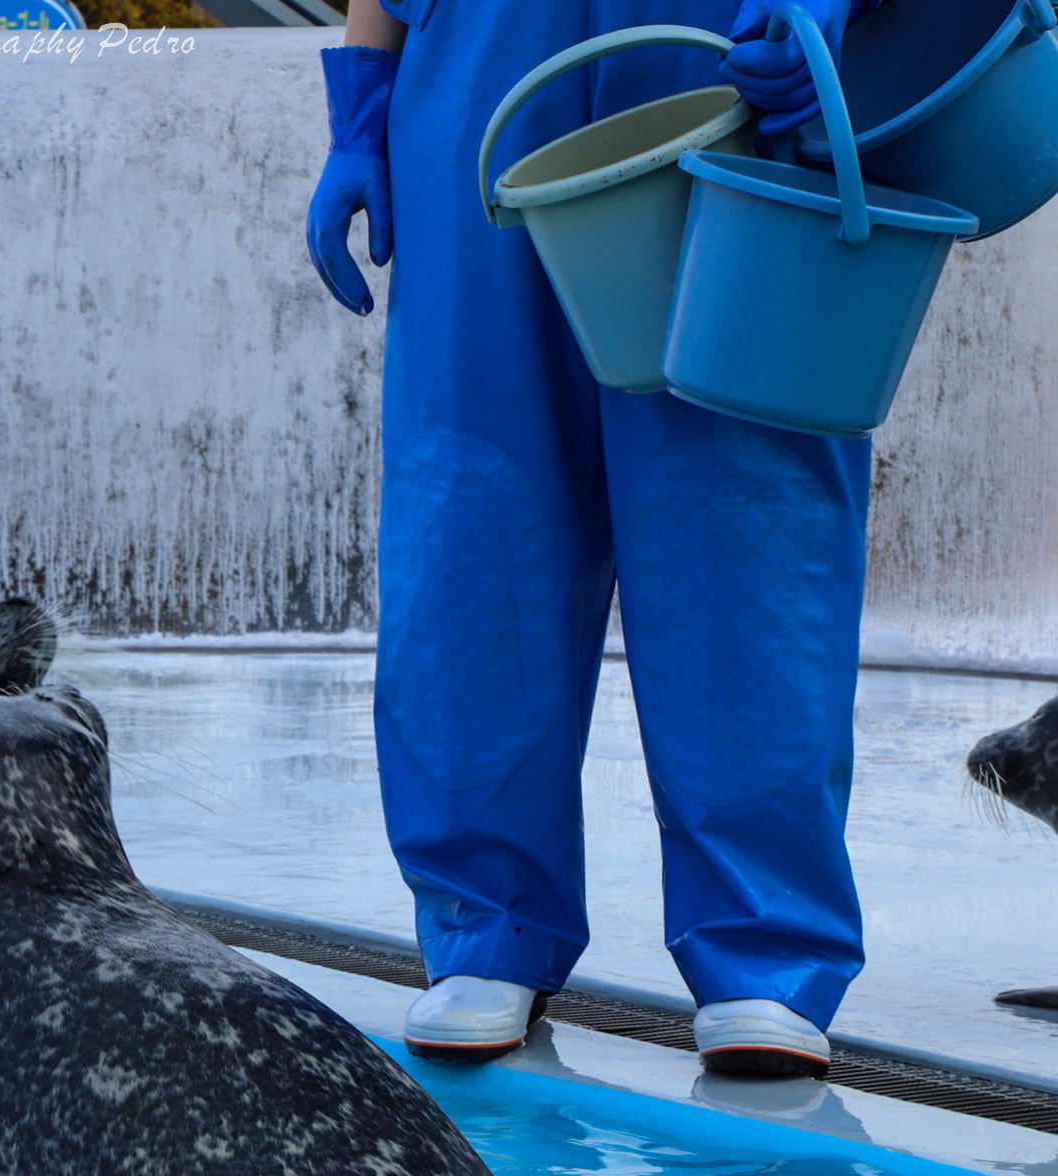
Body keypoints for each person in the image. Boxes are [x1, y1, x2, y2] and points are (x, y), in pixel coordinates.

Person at [306, 0, 880, 1079]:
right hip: (481, 70)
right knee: (472, 506)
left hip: (723, 60)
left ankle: (764, 949)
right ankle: (485, 923)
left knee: (743, 503)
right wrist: (361, 104)